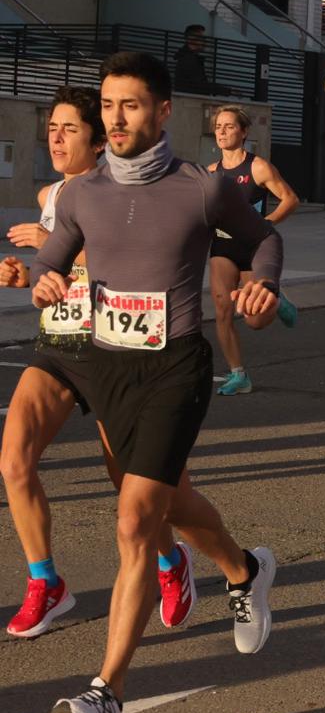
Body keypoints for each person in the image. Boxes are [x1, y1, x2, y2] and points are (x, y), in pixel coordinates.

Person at [32, 54, 279, 713]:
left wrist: (264, 283)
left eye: (131, 105)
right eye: (108, 104)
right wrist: (42, 279)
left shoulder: (201, 188)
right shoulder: (81, 194)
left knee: (136, 519)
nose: (115, 118)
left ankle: (106, 694)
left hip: (176, 367)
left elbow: (264, 237)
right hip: (108, 368)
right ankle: (245, 570)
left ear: (164, 111)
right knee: (170, 502)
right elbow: (52, 258)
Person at [2, 89, 192, 641]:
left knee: (131, 485)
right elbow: (53, 275)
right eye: (52, 128)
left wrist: (56, 245)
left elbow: (139, 257)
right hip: (59, 346)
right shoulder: (50, 194)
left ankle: (170, 561)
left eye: (69, 129)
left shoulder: (120, 191)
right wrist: (25, 275)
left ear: (97, 139)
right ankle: (45, 582)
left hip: (115, 351)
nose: (56, 138)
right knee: (13, 461)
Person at [206, 106, 300, 395]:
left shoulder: (258, 167)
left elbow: (290, 199)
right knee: (222, 306)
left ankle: (277, 301)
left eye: (229, 126)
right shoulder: (210, 173)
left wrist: (267, 223)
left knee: (255, 319)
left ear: (244, 131)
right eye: (218, 126)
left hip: (253, 247)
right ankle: (239, 374)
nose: (222, 131)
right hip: (223, 246)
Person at [172, 25, 224, 96]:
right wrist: (226, 90)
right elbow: (200, 85)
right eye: (202, 38)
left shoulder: (188, 57)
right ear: (191, 39)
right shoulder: (188, 59)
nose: (204, 41)